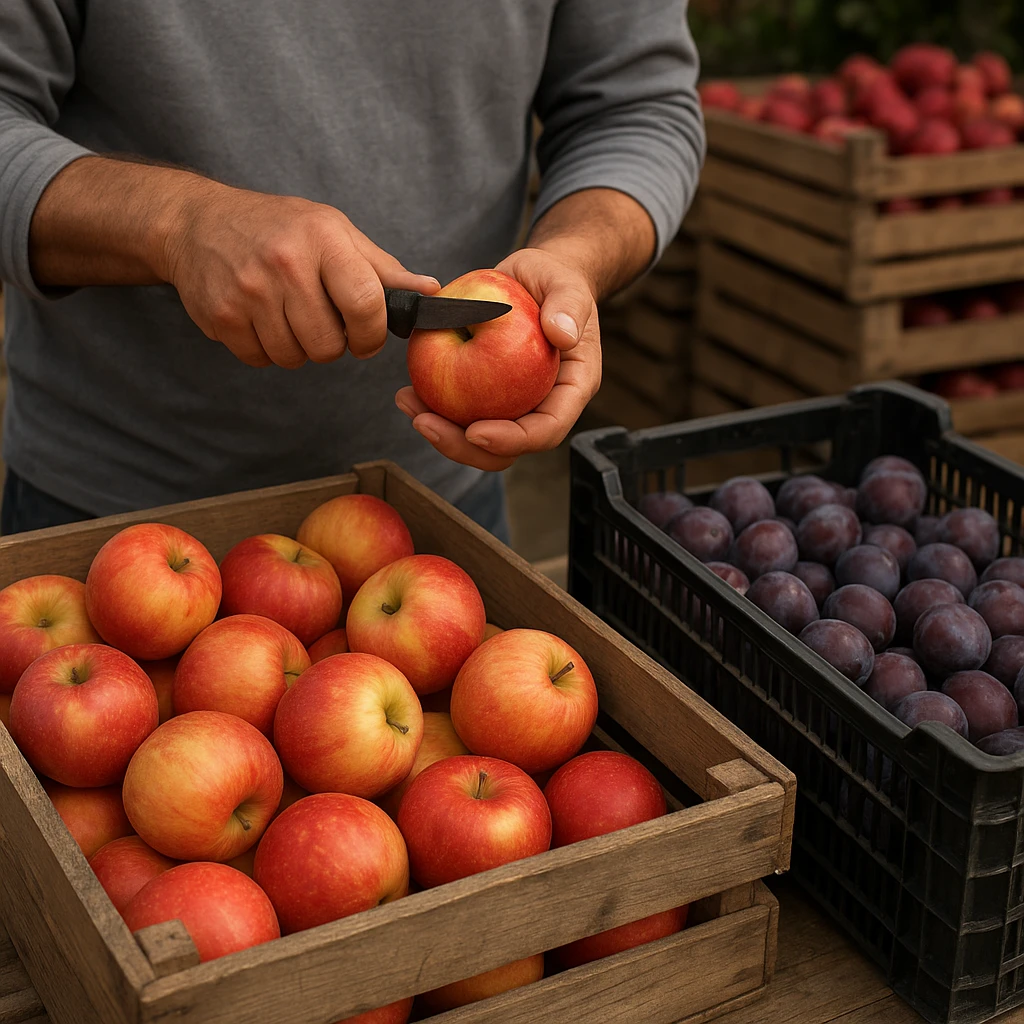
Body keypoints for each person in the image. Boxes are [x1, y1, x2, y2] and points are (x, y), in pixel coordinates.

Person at [0, 1, 704, 540]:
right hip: (108, 516)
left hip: (434, 508)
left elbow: (636, 107)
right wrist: (175, 224)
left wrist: (574, 256)